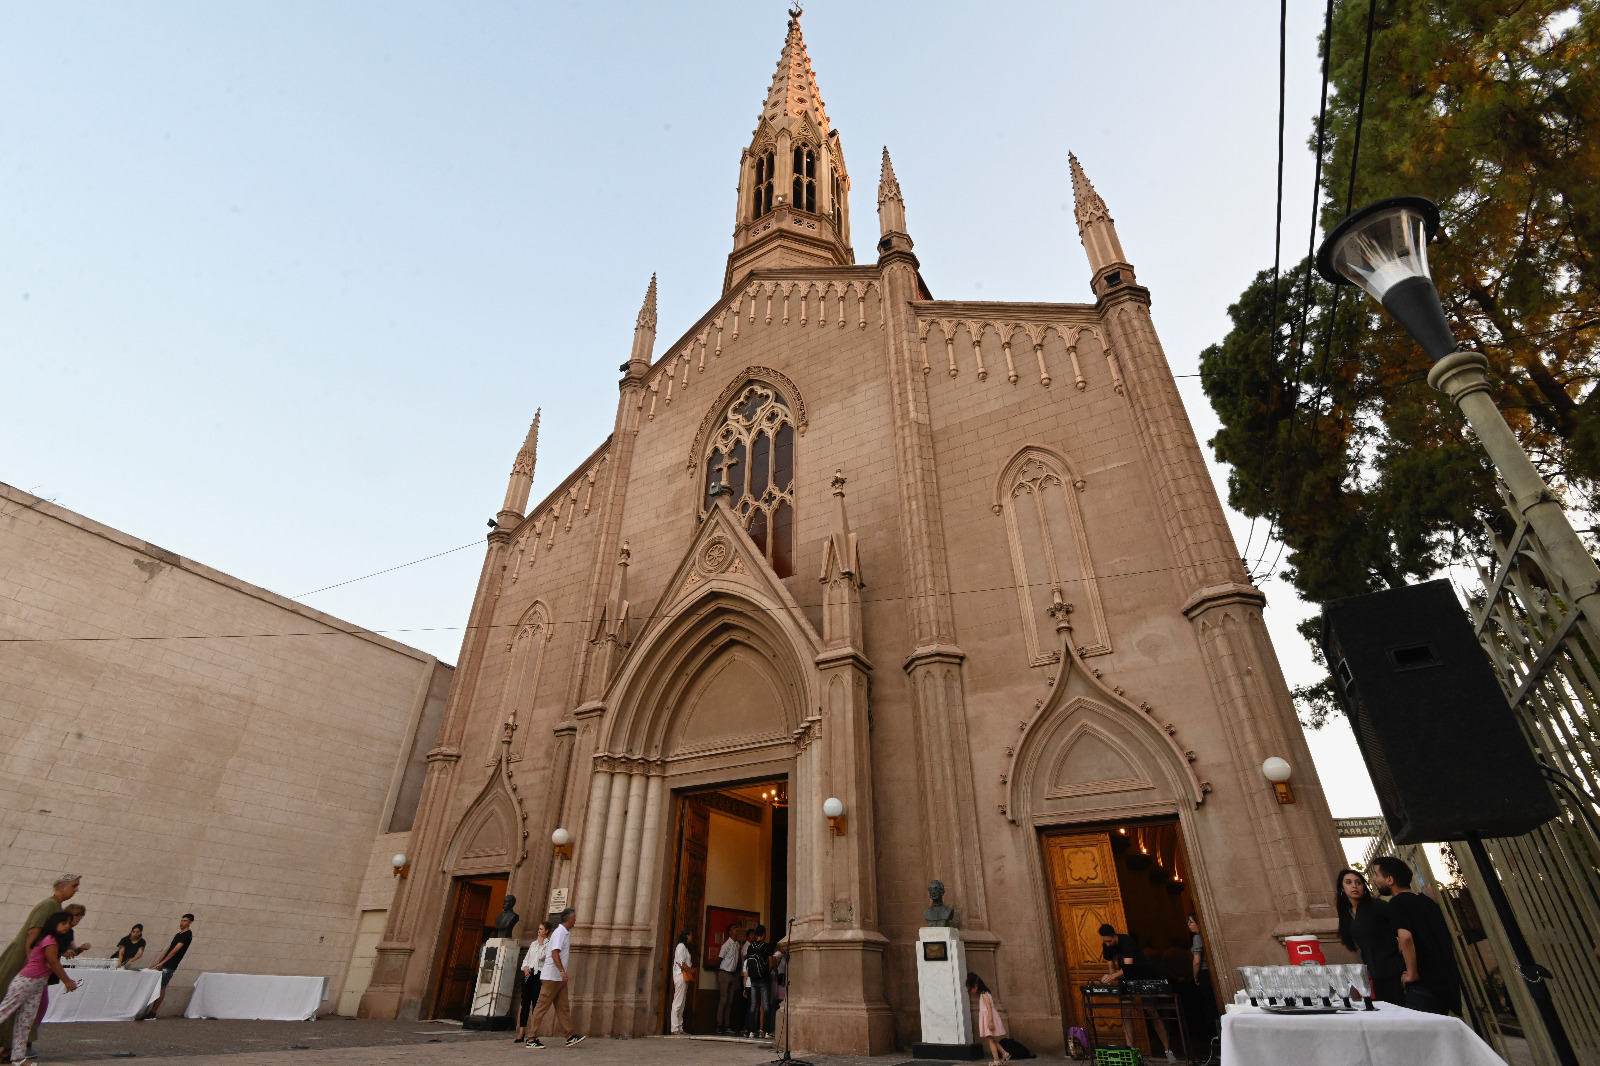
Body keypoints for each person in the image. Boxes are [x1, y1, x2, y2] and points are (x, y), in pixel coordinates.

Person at [0, 874, 79, 1062]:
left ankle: (15, 1054)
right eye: (74, 886)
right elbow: (34, 936)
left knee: (26, 1017)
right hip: (26, 970)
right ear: (62, 886)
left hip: (36, 976)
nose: (76, 889)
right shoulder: (48, 906)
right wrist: (32, 963)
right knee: (7, 1008)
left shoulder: (56, 914)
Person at [1369, 857, 1461, 1015]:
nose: (1373, 879)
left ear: (1390, 879)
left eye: (1376, 874)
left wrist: (1412, 973)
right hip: (1444, 981)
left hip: (1424, 984)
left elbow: (1405, 937)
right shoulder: (1426, 901)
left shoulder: (1397, 903)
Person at [1099, 923, 1176, 1063]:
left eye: (1109, 941)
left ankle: (1168, 1050)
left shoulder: (1126, 941)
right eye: (1105, 942)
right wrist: (1110, 980)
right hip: (1124, 979)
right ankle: (1130, 1051)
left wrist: (1113, 976)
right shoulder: (1107, 945)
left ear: (1115, 936)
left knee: (1151, 1010)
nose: (1108, 944)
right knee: (1126, 1012)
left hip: (1142, 977)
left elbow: (1128, 967)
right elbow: (1110, 965)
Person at [1334, 868, 1404, 1005]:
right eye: (1348, 882)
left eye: (1358, 883)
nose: (1354, 886)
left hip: (1395, 970)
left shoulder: (1378, 906)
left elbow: (1403, 932)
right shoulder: (1347, 914)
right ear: (1342, 888)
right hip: (1376, 974)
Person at [526, 908, 585, 1049]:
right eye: (575, 917)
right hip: (552, 976)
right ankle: (531, 1038)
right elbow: (554, 953)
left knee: (563, 1007)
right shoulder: (559, 933)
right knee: (541, 1007)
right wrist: (562, 971)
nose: (576, 920)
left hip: (558, 978)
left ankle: (569, 1036)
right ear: (570, 919)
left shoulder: (564, 933)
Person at [140, 914, 194, 1020]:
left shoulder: (187, 934)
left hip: (170, 965)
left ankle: (153, 1012)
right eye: (181, 920)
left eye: (185, 921)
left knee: (162, 987)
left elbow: (175, 951)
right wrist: (158, 962)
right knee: (156, 986)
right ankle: (148, 1011)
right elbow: (169, 948)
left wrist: (163, 962)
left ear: (190, 922)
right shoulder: (178, 934)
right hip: (164, 963)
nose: (182, 922)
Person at [513, 922, 549, 1044]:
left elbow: (541, 957)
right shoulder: (533, 944)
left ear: (546, 931)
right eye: (538, 929)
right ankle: (521, 1032)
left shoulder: (548, 945)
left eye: (541, 929)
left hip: (539, 976)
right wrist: (525, 968)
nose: (538, 931)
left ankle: (533, 1033)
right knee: (525, 1004)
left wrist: (541, 943)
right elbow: (526, 960)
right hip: (529, 975)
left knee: (536, 1005)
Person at [966, 973, 1010, 1066]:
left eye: (971, 988)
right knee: (992, 1039)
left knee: (990, 1040)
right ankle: (1005, 1054)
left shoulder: (983, 994)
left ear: (976, 986)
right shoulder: (986, 993)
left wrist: (990, 1021)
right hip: (988, 1017)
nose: (971, 991)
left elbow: (989, 1007)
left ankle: (996, 1061)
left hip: (988, 1018)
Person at [1186, 914, 1218, 1037]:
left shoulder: (1197, 937)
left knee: (1210, 1005)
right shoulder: (1205, 936)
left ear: (1198, 923)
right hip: (1210, 973)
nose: (1188, 925)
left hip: (1203, 973)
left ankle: (1217, 1035)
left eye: (1190, 921)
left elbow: (1197, 961)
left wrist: (1195, 975)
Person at [715, 920, 746, 1034]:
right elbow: (719, 959)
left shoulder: (737, 945)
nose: (736, 930)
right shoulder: (726, 945)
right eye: (734, 928)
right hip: (724, 973)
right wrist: (718, 973)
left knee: (730, 1001)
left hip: (733, 974)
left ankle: (727, 1025)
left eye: (736, 928)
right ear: (729, 932)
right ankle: (719, 1025)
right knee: (723, 1000)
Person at [743, 925, 773, 1039]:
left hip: (753, 979)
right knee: (765, 1005)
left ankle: (752, 1031)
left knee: (753, 1005)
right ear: (764, 934)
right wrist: (768, 972)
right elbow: (770, 963)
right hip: (764, 979)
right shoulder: (766, 947)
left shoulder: (750, 947)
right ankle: (767, 1031)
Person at [670, 929, 696, 1035]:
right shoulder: (680, 946)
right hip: (680, 975)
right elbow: (681, 963)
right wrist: (690, 970)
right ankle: (675, 1028)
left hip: (684, 977)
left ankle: (680, 1028)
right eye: (691, 935)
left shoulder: (684, 947)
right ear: (687, 936)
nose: (692, 937)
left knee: (682, 1003)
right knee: (678, 1002)